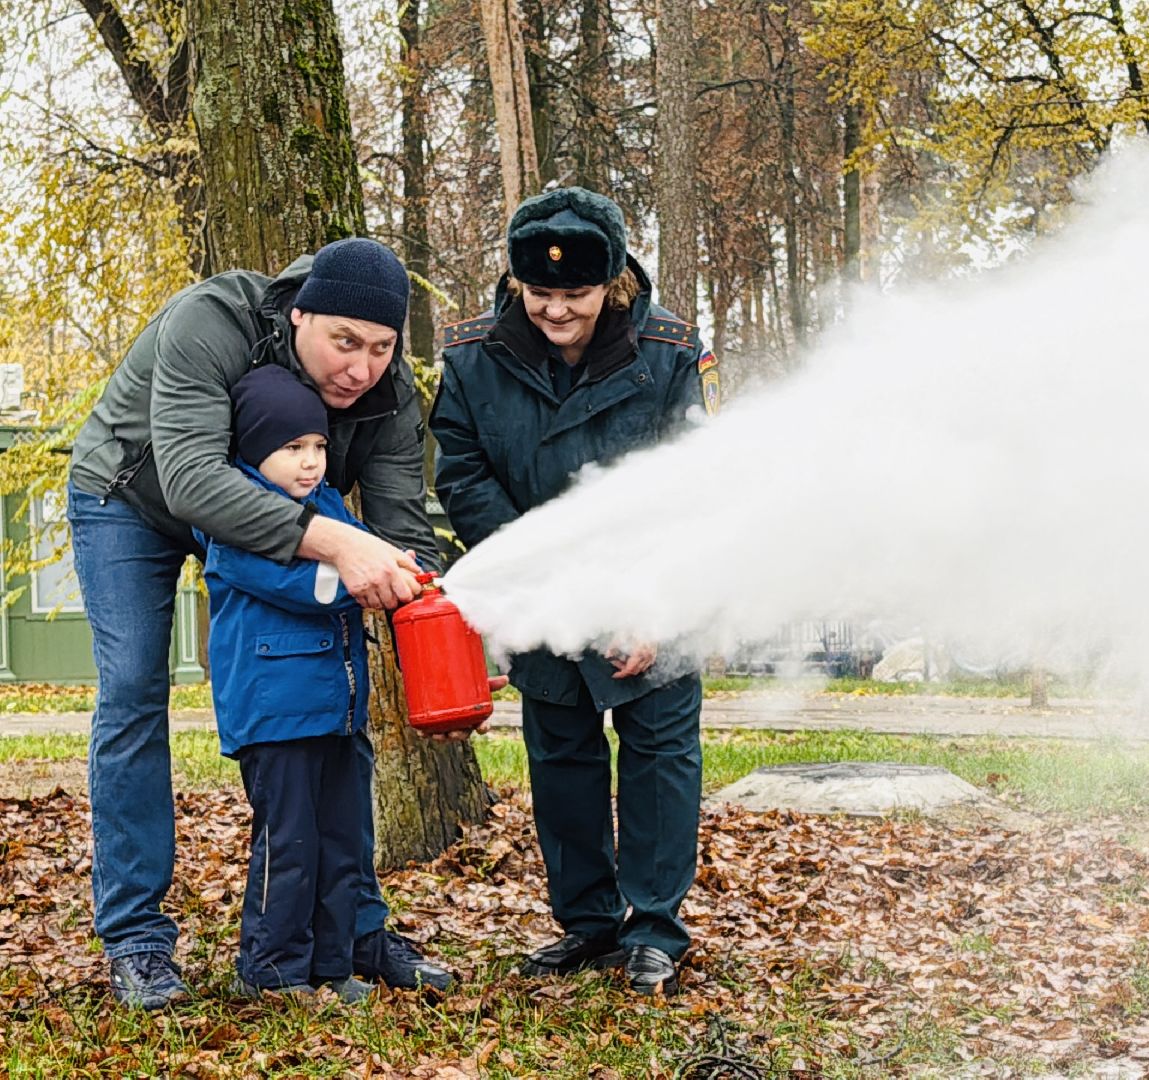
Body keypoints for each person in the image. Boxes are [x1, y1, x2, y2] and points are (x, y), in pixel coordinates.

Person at [68, 237, 454, 1008]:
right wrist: (342, 541)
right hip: (133, 497)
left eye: (381, 348)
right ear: (300, 311)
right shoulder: (212, 319)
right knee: (135, 693)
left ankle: (354, 928)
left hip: (275, 518)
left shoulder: (387, 388)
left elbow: (403, 529)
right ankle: (137, 939)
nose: (362, 368)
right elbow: (191, 479)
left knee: (334, 713)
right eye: (344, 342)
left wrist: (442, 634)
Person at [431, 186, 719, 997]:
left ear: (614, 282)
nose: (557, 310)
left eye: (577, 294)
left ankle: (656, 927)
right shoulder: (472, 356)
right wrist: (550, 574)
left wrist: (654, 602)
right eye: (541, 293)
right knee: (562, 758)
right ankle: (587, 924)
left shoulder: (668, 353)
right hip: (542, 593)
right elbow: (460, 470)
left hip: (653, 592)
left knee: (660, 757)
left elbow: (694, 489)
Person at [198, 364, 377, 1002]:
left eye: (319, 447)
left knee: (341, 843)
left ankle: (332, 967)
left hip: (337, 711)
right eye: (291, 448)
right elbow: (300, 587)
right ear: (251, 451)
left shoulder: (324, 505)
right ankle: (272, 970)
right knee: (290, 845)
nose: (309, 463)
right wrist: (361, 574)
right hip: (276, 715)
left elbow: (363, 553)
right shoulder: (236, 521)